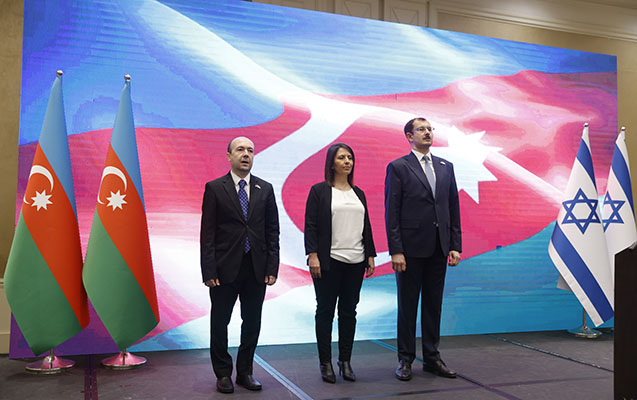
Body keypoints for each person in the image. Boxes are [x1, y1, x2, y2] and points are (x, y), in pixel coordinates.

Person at [200, 136, 280, 394]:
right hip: (224, 269)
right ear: (229, 156)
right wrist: (209, 270)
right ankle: (223, 373)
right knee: (219, 322)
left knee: (252, 322)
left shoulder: (265, 188)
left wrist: (272, 267)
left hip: (256, 268)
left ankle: (245, 372)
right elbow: (207, 233)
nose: (246, 154)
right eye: (240, 150)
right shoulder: (215, 188)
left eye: (250, 150)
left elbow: (272, 231)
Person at [384, 118, 462, 381]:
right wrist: (396, 250)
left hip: (439, 247)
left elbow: (453, 207)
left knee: (433, 306)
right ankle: (405, 359)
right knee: (407, 306)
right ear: (409, 136)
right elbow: (392, 211)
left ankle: (432, 358)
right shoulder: (398, 167)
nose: (427, 133)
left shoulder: (446, 167)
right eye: (421, 129)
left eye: (430, 129)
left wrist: (455, 245)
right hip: (409, 249)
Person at [304, 143, 376, 384]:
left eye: (350, 158)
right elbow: (311, 225)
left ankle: (345, 361)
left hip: (356, 261)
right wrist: (313, 254)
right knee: (325, 311)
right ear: (331, 163)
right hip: (328, 261)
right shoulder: (319, 191)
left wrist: (370, 255)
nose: (347, 162)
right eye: (342, 158)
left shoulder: (359, 193)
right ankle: (325, 362)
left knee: (349, 312)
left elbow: (366, 226)